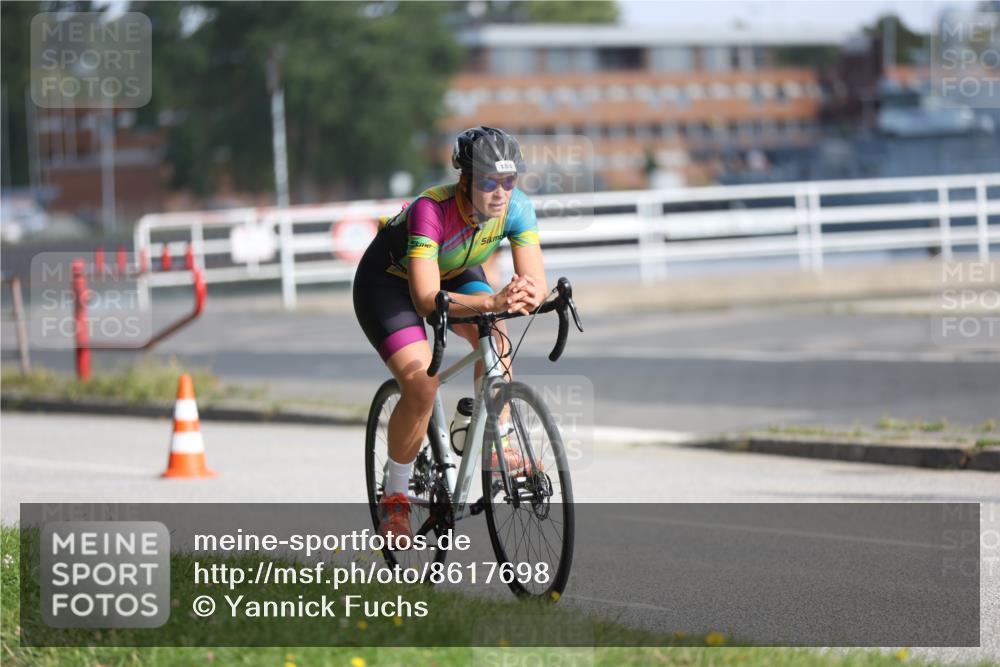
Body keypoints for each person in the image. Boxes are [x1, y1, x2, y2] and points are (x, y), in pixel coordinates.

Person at [353, 126, 548, 544]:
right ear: (465, 180)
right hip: (390, 285)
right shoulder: (431, 209)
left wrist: (532, 295)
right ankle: (396, 496)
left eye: (509, 182)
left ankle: (492, 433)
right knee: (422, 385)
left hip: (455, 269)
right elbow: (425, 299)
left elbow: (535, 282)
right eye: (488, 182)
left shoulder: (518, 208)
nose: (501, 193)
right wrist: (495, 301)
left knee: (494, 339)